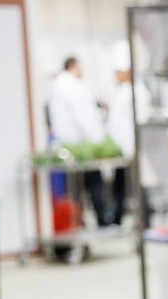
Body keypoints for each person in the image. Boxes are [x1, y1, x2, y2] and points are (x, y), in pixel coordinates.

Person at [48, 56, 109, 226]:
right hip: (80, 146)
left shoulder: (59, 85)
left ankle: (77, 224)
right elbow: (85, 117)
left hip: (67, 146)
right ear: (74, 66)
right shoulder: (72, 86)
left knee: (74, 191)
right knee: (94, 184)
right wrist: (98, 143)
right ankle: (102, 222)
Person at [106, 41, 155, 227]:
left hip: (133, 147)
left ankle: (146, 217)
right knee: (119, 185)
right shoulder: (121, 91)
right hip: (120, 148)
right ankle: (117, 217)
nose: (116, 75)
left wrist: (133, 149)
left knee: (139, 185)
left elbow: (139, 123)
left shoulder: (138, 91)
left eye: (118, 71)